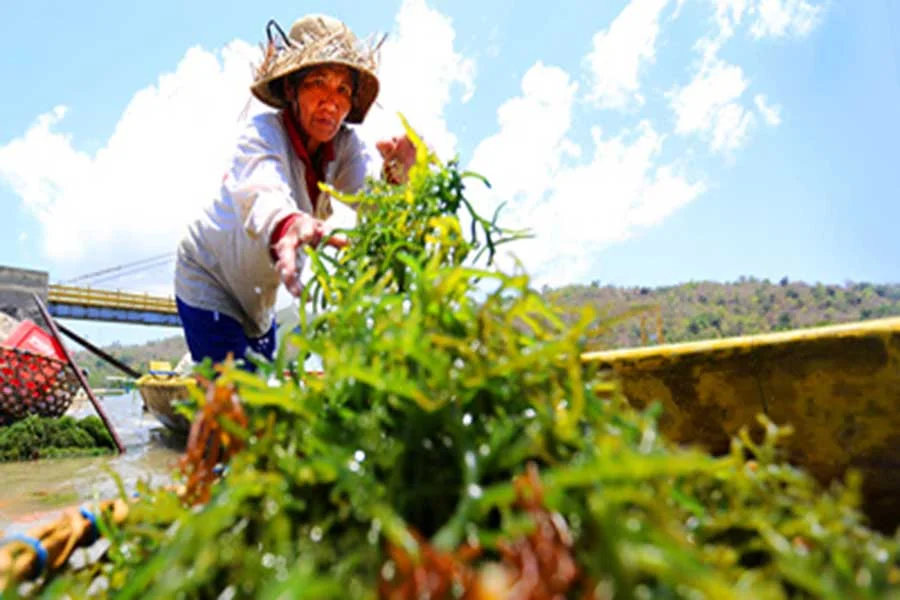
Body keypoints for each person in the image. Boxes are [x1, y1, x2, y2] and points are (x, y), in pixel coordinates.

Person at [173, 14, 415, 369]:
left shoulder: (347, 147)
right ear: (291, 89)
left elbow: (374, 205)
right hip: (209, 278)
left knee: (265, 400)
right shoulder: (262, 135)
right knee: (236, 404)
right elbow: (262, 188)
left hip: (260, 298)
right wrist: (289, 223)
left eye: (343, 89)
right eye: (318, 82)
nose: (331, 101)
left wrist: (397, 179)